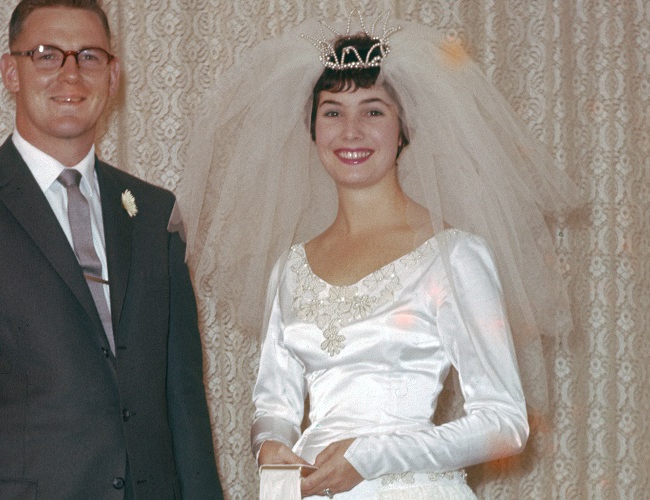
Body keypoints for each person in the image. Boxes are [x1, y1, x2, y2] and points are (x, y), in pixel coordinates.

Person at [178, 17, 582, 499]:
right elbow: (275, 404)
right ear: (311, 127)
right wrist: (270, 444)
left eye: (372, 111)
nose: (351, 131)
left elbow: (505, 423)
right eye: (332, 112)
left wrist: (371, 456)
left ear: (404, 127)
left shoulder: (453, 257)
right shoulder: (291, 267)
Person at [0, 1, 223, 498]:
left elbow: (184, 404)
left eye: (88, 56)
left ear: (112, 74)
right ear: (10, 72)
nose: (70, 73)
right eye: (46, 55)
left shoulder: (152, 214)